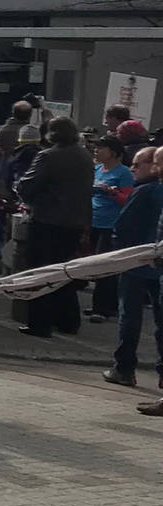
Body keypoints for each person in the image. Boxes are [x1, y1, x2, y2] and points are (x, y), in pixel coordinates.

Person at [16, 117, 92, 338]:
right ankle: (68, 321)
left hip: (48, 220)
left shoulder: (48, 156)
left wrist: (21, 188)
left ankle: (39, 323)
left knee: (40, 271)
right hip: (75, 221)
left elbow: (27, 185)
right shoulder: (85, 156)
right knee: (65, 270)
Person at [108, 146, 163, 388]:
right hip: (157, 265)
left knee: (130, 316)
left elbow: (123, 225)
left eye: (137, 164)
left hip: (137, 261)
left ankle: (124, 368)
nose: (132, 169)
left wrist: (119, 253)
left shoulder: (145, 191)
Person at [89, 136, 134, 322]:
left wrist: (112, 192)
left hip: (111, 223)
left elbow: (128, 200)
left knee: (104, 266)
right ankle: (102, 305)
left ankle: (102, 308)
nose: (96, 151)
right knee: (91, 263)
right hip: (93, 220)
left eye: (101, 148)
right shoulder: (97, 169)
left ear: (113, 152)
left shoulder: (124, 173)